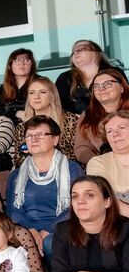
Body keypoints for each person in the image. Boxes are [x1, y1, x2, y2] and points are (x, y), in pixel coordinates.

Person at [8, 116, 83, 257]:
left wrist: (47, 230)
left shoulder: (72, 169)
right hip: (26, 229)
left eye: (41, 135)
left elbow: (76, 206)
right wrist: (30, 230)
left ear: (55, 139)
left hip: (62, 226)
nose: (33, 139)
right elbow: (13, 211)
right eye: (29, 135)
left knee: (51, 243)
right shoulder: (16, 175)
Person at [13, 76, 80, 166]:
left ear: (52, 95)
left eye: (43, 92)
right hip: (33, 173)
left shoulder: (70, 120)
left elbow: (78, 155)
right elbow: (19, 161)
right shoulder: (22, 128)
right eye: (32, 93)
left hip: (66, 170)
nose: (36, 97)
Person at [56, 39, 126, 114]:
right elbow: (58, 104)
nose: (76, 52)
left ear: (96, 53)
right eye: (73, 52)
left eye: (82, 49)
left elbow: (126, 96)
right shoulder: (65, 78)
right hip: (79, 123)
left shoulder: (114, 72)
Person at [75, 69, 129, 164]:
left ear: (122, 87)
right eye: (96, 86)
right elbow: (81, 148)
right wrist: (99, 162)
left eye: (107, 84)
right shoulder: (87, 115)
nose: (101, 88)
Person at [88, 111, 129, 216]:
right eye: (109, 131)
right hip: (117, 221)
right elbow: (105, 197)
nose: (115, 134)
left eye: (121, 128)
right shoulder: (98, 162)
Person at [0, 48, 37, 122]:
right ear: (10, 66)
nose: (21, 64)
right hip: (9, 129)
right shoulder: (2, 89)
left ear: (32, 64)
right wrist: (17, 113)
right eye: (16, 61)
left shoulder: (41, 82)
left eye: (26, 60)